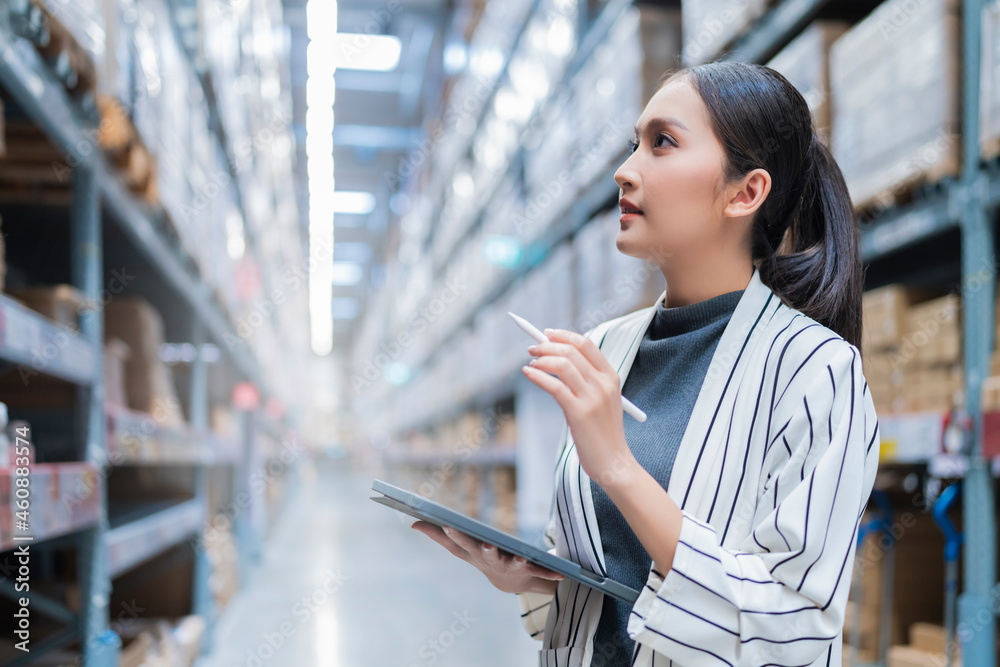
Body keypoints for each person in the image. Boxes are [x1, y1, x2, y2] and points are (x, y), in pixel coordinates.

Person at [411, 60, 880, 667]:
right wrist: (528, 579)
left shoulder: (815, 372)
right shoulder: (605, 347)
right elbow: (606, 574)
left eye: (662, 143)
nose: (624, 171)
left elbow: (792, 627)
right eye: (635, 144)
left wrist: (618, 467)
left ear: (746, 192)